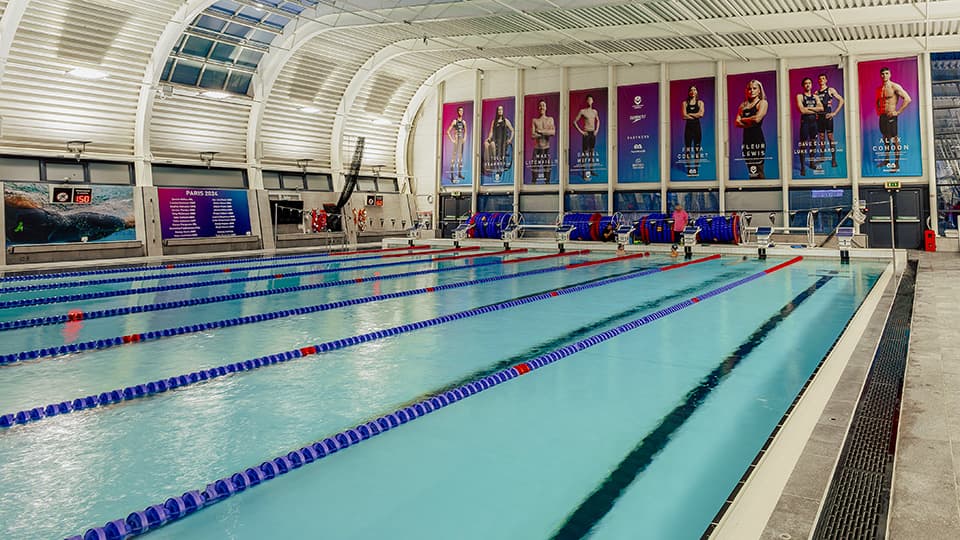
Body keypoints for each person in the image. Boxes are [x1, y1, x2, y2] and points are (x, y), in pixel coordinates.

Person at [875, 66, 911, 172]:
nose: (884, 75)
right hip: (883, 117)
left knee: (895, 140)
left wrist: (898, 112)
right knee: (886, 139)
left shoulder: (894, 86)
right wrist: (879, 111)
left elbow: (908, 99)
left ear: (890, 74)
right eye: (882, 74)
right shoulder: (879, 89)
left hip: (891, 117)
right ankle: (886, 160)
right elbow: (878, 101)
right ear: (880, 75)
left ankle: (896, 164)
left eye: (886, 73)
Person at [734, 79, 769, 179]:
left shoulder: (762, 103)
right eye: (749, 89)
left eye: (754, 88)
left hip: (757, 139)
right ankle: (754, 192)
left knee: (759, 170)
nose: (752, 91)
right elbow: (737, 122)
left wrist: (744, 119)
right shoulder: (743, 105)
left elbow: (757, 119)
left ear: (759, 90)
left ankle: (762, 191)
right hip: (746, 140)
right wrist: (750, 122)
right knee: (751, 171)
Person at [795, 77, 823, 176]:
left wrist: (808, 108)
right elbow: (802, 111)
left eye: (809, 83)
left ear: (811, 85)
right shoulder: (800, 96)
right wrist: (814, 109)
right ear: (803, 85)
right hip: (805, 123)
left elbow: (821, 108)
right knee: (803, 146)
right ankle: (802, 167)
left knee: (813, 144)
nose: (808, 85)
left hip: (814, 124)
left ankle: (811, 163)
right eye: (806, 83)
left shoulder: (815, 97)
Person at [816, 73, 845, 168]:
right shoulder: (816, 93)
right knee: (821, 138)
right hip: (819, 118)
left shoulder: (830, 90)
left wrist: (834, 113)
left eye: (823, 78)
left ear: (826, 80)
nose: (821, 80)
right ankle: (822, 156)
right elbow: (814, 106)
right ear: (818, 81)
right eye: (820, 79)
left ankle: (833, 159)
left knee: (830, 138)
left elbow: (841, 100)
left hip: (828, 117)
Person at [572, 94, 600, 181]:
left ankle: (591, 170)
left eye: (591, 100)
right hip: (586, 134)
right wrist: (581, 132)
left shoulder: (595, 111)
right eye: (588, 100)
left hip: (593, 133)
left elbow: (598, 120)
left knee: (592, 153)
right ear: (586, 101)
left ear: (592, 101)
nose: (589, 101)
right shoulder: (582, 111)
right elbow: (574, 122)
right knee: (585, 154)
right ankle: (584, 173)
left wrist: (596, 130)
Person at [485, 105, 514, 182]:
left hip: (504, 142)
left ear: (503, 111)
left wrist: (510, 139)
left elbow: (512, 130)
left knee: (501, 153)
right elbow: (491, 132)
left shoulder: (506, 121)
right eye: (499, 110)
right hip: (495, 140)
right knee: (488, 145)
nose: (500, 111)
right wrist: (488, 138)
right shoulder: (494, 121)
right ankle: (492, 165)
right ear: (497, 111)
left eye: (501, 110)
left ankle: (499, 170)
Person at [681, 85, 705, 176]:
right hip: (688, 128)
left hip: (697, 128)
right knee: (687, 150)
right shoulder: (685, 103)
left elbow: (701, 114)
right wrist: (695, 115)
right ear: (689, 92)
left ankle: (696, 169)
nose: (692, 91)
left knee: (697, 150)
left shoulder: (700, 103)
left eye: (694, 89)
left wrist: (689, 114)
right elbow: (684, 116)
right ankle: (688, 169)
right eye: (691, 90)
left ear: (697, 92)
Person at [530, 99, 556, 184]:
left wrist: (540, 131)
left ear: (546, 107)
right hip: (537, 148)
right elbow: (532, 135)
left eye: (543, 105)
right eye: (540, 105)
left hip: (546, 148)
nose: (542, 107)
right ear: (538, 108)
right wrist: (546, 132)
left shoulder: (550, 119)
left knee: (547, 173)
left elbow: (553, 132)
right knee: (534, 175)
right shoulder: (535, 120)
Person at [446, 106, 467, 181]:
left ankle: (459, 174)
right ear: (457, 112)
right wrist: (452, 140)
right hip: (456, 142)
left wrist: (464, 138)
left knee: (460, 159)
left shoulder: (464, 122)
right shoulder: (454, 121)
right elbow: (448, 131)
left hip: (461, 142)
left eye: (462, 111)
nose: (461, 112)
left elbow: (466, 131)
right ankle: (452, 176)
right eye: (460, 111)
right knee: (454, 159)